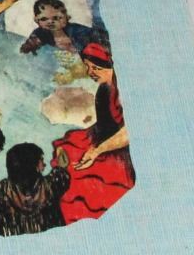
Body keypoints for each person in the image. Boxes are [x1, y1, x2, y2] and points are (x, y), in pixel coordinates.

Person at [54, 43, 135, 223]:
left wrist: (97, 150)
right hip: (101, 138)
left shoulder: (121, 89)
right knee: (69, 155)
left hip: (116, 148)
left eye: (96, 68)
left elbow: (129, 133)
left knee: (85, 186)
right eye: (88, 67)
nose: (90, 72)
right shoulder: (105, 87)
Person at [0, 143, 70, 237]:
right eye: (41, 160)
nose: (44, 164)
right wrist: (61, 164)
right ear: (34, 166)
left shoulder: (1, 191)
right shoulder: (51, 185)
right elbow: (61, 174)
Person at [18, 0, 107, 56]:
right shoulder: (40, 32)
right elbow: (31, 43)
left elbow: (97, 44)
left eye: (56, 18)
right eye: (44, 19)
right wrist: (28, 46)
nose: (50, 22)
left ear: (67, 18)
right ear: (36, 20)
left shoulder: (78, 31)